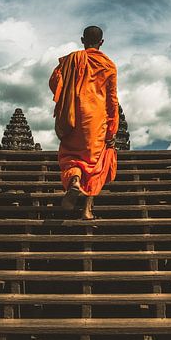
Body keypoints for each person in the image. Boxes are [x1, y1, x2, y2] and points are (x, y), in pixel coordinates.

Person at [49, 25, 119, 220]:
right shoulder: (108, 65)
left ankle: (75, 180)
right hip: (97, 120)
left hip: (73, 116)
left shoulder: (72, 59)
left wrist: (70, 91)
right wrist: (112, 128)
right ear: (101, 42)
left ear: (82, 40)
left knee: (72, 156)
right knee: (95, 163)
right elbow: (112, 100)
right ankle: (87, 211)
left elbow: (55, 81)